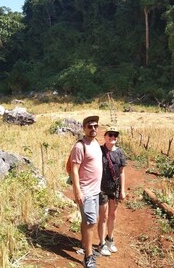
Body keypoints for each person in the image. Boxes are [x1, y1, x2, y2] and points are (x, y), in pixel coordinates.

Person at [70, 115, 102, 268]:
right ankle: (88, 257)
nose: (93, 128)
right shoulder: (79, 146)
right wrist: (77, 191)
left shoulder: (96, 143)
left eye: (95, 126)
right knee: (91, 222)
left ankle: (84, 245)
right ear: (84, 128)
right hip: (86, 191)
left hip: (96, 191)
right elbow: (74, 170)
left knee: (86, 220)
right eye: (90, 126)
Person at [97, 127, 127, 256]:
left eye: (115, 135)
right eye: (110, 135)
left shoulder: (120, 153)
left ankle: (110, 240)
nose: (113, 137)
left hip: (115, 189)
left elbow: (122, 172)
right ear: (105, 136)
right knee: (103, 216)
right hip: (101, 188)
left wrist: (122, 190)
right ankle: (102, 243)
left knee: (112, 215)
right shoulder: (99, 151)